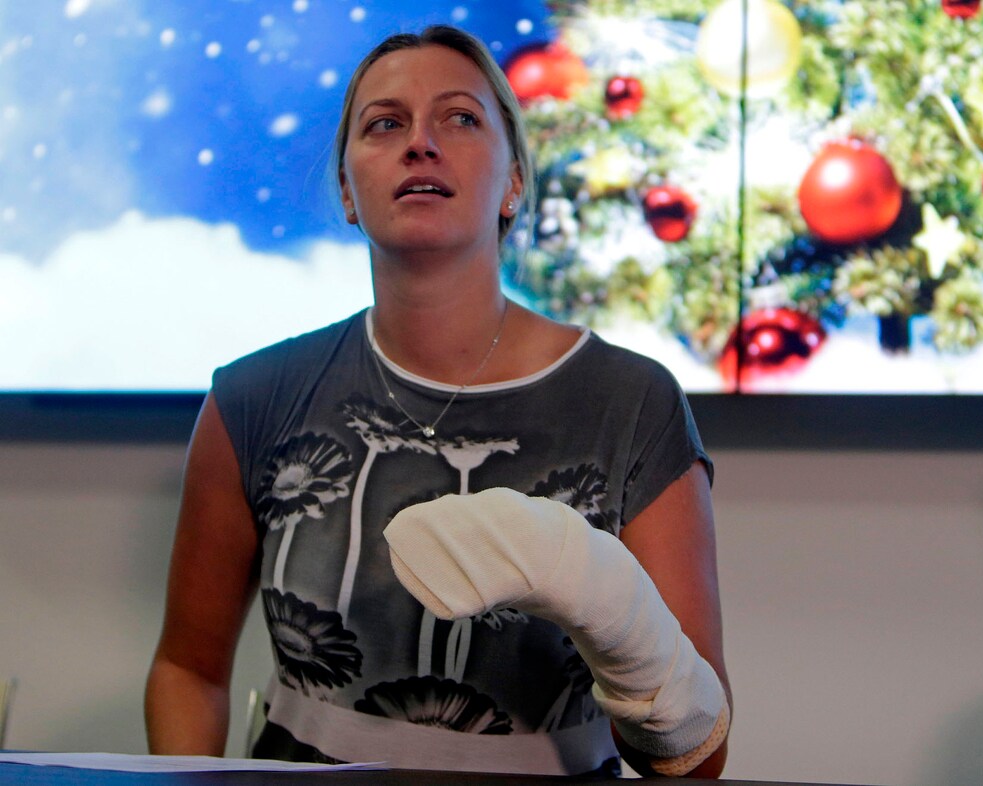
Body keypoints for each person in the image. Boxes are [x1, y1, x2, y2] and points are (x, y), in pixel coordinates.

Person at [144, 24, 731, 778]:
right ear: (348, 191)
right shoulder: (251, 398)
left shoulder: (633, 403)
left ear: (514, 182)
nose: (420, 143)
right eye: (385, 124)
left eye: (459, 118)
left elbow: (699, 756)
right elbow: (187, 670)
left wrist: (600, 596)